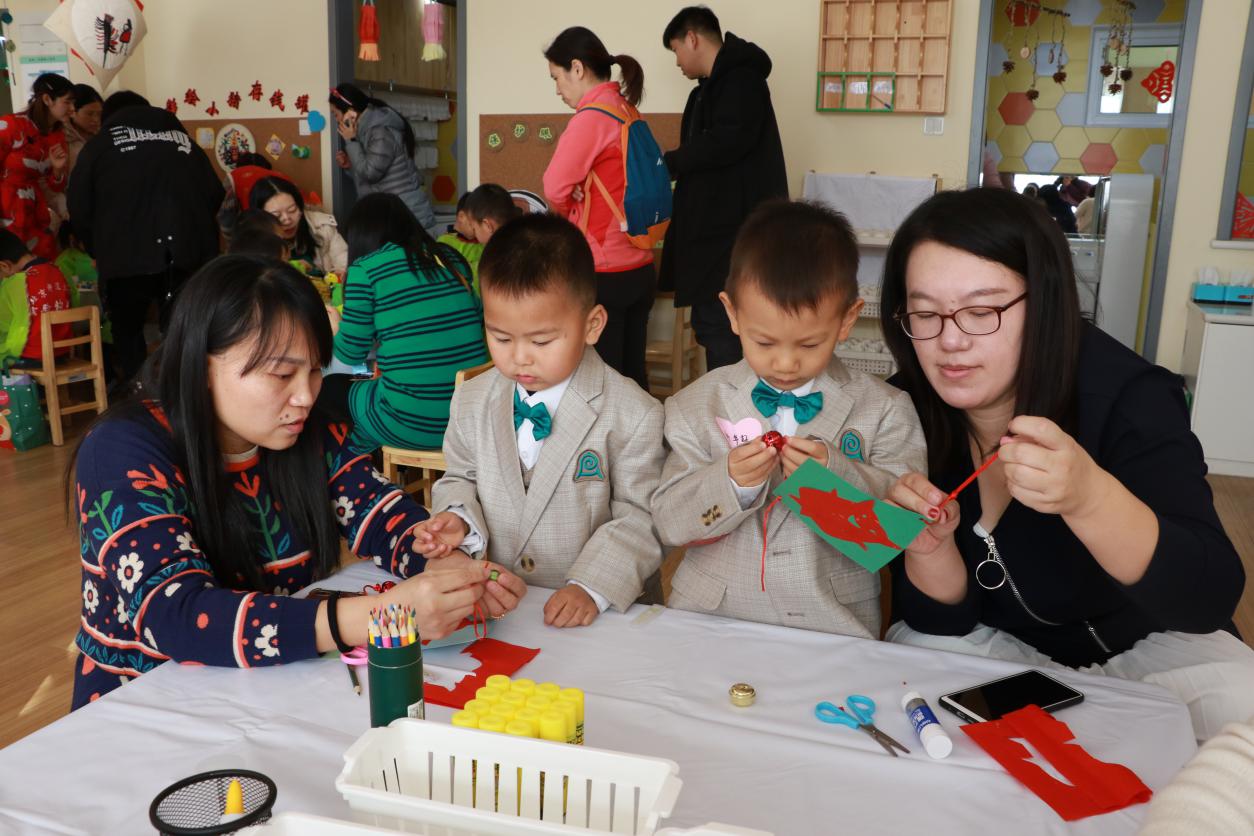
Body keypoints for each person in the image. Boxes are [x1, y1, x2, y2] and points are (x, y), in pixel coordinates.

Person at [68, 255, 525, 709]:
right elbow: (179, 616)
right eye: (282, 374)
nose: (305, 395)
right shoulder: (122, 450)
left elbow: (381, 514)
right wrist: (381, 616)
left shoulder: (307, 431)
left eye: (314, 370)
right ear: (204, 368)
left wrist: (444, 567)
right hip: (147, 707)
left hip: (268, 689)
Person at [880, 188, 1254, 741]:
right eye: (926, 313)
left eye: (981, 312)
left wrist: (1090, 498)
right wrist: (928, 552)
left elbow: (1205, 600)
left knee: (1243, 702)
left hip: (1152, 656)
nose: (950, 341)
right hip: (1004, 659)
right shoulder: (898, 413)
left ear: (1045, 303)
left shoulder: (1129, 397)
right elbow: (938, 622)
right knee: (909, 661)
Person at [652, 200, 925, 635]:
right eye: (764, 342)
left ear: (847, 319)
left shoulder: (886, 409)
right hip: (711, 618)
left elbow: (897, 535)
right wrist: (732, 484)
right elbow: (669, 522)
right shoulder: (693, 405)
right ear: (732, 313)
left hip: (832, 623)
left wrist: (836, 476)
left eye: (809, 344)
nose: (785, 363)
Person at [426, 213, 665, 627]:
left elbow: (640, 515)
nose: (520, 357)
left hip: (599, 611)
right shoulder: (471, 399)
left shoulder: (634, 414)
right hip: (505, 606)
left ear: (592, 325)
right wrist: (458, 520)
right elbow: (460, 477)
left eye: (541, 341)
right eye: (501, 337)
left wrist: (591, 586)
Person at [659, 7, 788, 371]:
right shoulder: (706, 91)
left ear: (692, 39)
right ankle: (728, 402)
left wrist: (672, 162)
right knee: (714, 327)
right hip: (715, 236)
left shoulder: (741, 81)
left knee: (725, 329)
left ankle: (734, 406)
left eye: (676, 51)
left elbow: (728, 141)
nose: (677, 62)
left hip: (733, 238)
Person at [68, 91, 225, 386]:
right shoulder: (183, 142)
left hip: (124, 257)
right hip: (187, 254)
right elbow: (216, 193)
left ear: (109, 116)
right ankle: (183, 392)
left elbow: (79, 205)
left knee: (128, 329)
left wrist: (96, 247)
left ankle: (139, 393)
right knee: (182, 327)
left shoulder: (101, 145)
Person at [326, 192, 489, 453]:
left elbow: (350, 354)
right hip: (469, 420)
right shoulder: (449, 258)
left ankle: (354, 461)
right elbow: (476, 316)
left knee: (326, 387)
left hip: (410, 423)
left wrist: (335, 327)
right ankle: (369, 456)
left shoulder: (366, 270)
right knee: (374, 379)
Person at [541, 26, 656, 392]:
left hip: (605, 269)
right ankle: (644, 432)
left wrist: (569, 204)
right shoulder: (627, 110)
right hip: (640, 263)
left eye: (556, 77)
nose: (557, 89)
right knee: (633, 377)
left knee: (603, 385)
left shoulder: (591, 117)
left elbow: (554, 187)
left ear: (577, 68)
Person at [329, 83, 439, 237]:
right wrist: (349, 165)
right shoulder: (367, 131)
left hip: (406, 212)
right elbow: (372, 175)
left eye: (336, 114)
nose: (337, 120)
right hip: (394, 211)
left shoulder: (380, 131)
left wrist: (351, 142)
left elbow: (370, 174)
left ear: (350, 112)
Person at [0, 73, 74, 260]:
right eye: (67, 102)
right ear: (47, 99)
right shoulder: (10, 125)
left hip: (36, 210)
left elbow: (55, 187)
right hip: (6, 208)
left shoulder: (58, 135)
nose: (72, 109)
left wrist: (57, 170)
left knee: (40, 263)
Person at [0, 228, 72, 369]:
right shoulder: (57, 270)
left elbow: (17, 328)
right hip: (60, 353)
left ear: (4, 266)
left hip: (32, 356)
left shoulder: (15, 283)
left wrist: (5, 354)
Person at [249, 176, 347, 277]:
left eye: (292, 210)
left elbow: (343, 258)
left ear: (300, 207)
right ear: (261, 218)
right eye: (276, 216)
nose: (287, 220)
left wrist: (340, 273)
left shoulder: (322, 225)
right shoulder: (253, 244)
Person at [438, 183, 522, 295]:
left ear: (487, 225)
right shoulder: (521, 246)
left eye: (474, 228)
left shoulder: (489, 262)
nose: (475, 234)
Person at [436, 190, 486, 293]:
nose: (480, 225)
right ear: (461, 217)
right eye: (477, 220)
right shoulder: (444, 242)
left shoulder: (482, 241)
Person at [64, 84, 103, 170]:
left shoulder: (103, 135)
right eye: (90, 114)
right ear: (72, 112)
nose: (96, 119)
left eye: (99, 114)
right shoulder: (63, 139)